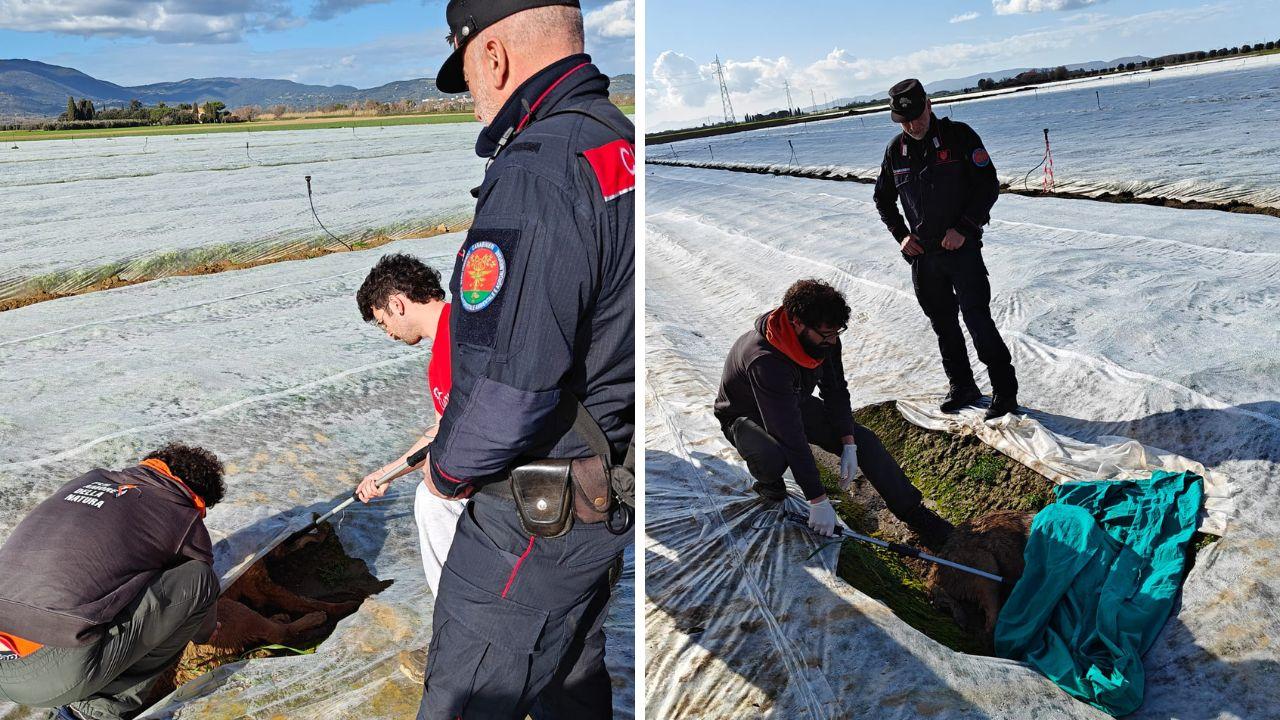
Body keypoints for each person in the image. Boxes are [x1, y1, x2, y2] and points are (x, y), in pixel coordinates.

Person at [418, 0, 636, 717]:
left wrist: (446, 471)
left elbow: (508, 390)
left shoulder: (538, 169)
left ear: (494, 56)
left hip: (536, 514)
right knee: (569, 682)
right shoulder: (618, 142)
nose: (473, 98)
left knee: (466, 696)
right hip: (604, 493)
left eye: (467, 76)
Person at [714, 279, 953, 547]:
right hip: (744, 415)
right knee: (773, 455)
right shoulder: (765, 360)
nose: (833, 340)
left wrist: (848, 441)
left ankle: (914, 513)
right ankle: (770, 483)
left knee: (865, 441)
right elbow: (788, 433)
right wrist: (817, 499)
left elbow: (836, 389)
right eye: (826, 334)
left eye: (837, 332)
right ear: (797, 323)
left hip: (792, 401)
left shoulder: (824, 341)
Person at [0, 444, 225, 720]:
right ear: (199, 499)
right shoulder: (183, 513)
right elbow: (199, 586)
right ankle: (95, 711)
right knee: (199, 579)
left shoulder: (87, 479)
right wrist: (206, 632)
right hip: (46, 674)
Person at [872, 78, 1019, 420]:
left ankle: (1004, 391)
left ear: (929, 105)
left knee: (977, 319)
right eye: (905, 121)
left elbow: (988, 186)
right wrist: (901, 235)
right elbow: (883, 198)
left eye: (917, 116)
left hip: (961, 251)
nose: (913, 125)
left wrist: (964, 228)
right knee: (943, 324)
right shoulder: (896, 151)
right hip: (924, 258)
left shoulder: (959, 137)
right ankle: (962, 385)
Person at [353, 253, 459, 684]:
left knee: (432, 502)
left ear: (397, 303)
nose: (389, 334)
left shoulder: (461, 337)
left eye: (383, 323)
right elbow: (441, 430)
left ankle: (456, 640)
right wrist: (385, 474)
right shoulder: (441, 350)